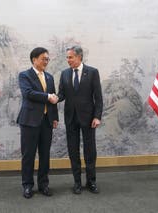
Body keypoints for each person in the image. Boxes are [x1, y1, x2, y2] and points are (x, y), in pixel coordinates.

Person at [57, 46, 103, 194]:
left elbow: (98, 97)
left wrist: (97, 116)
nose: (68, 60)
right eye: (67, 57)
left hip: (89, 118)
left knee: (90, 151)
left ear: (79, 57)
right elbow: (61, 95)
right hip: (70, 118)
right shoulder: (64, 74)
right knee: (73, 151)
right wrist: (52, 98)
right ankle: (77, 182)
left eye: (70, 57)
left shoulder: (93, 72)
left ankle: (91, 182)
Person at [17, 47, 59, 199]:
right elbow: (28, 94)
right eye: (43, 58)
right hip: (29, 122)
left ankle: (43, 185)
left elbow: (53, 100)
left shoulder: (49, 77)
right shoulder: (24, 75)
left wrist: (55, 118)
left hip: (46, 123)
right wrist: (48, 96)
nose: (46, 61)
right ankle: (27, 186)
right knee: (28, 155)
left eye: (47, 59)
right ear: (34, 59)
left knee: (45, 155)